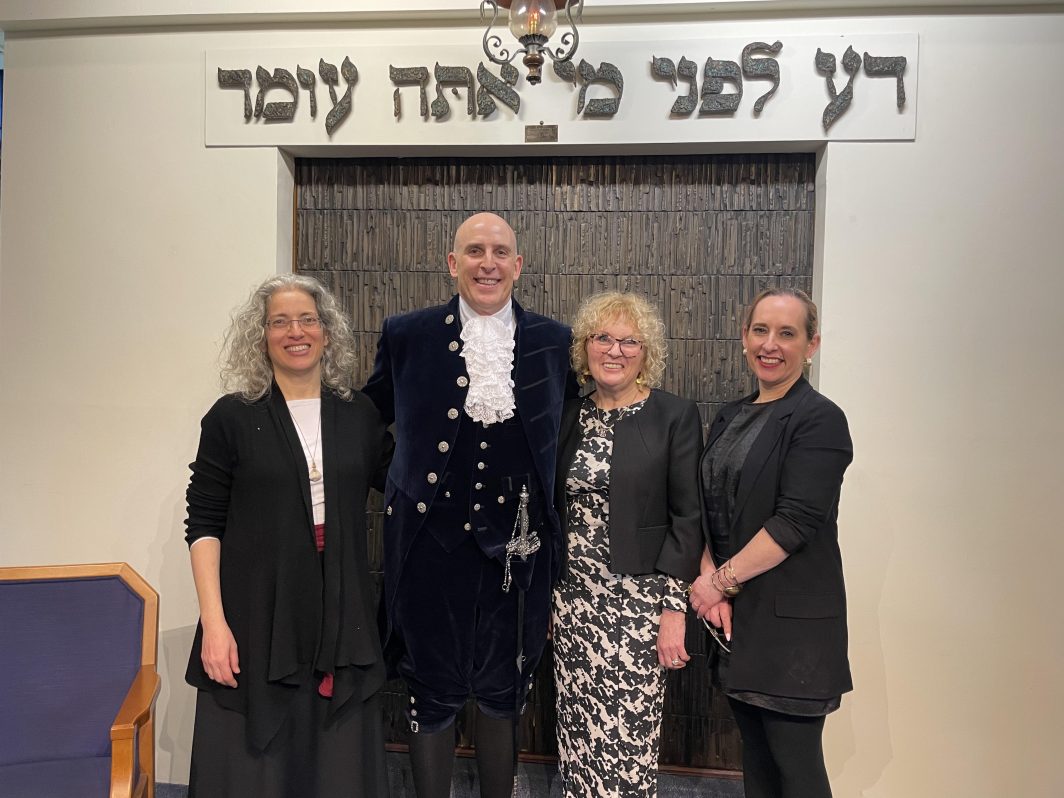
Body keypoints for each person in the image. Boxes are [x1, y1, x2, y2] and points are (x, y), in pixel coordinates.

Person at [362, 212, 573, 798]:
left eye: (500, 252)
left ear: (518, 265)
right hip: (430, 549)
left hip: (520, 551)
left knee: (505, 689)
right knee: (431, 691)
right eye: (475, 251)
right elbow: (367, 420)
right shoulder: (407, 334)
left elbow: (566, 435)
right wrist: (405, 484)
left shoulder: (554, 342)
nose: (488, 263)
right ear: (453, 264)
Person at [184, 274, 393, 798]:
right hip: (257, 611)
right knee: (258, 766)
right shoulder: (232, 417)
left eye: (307, 319)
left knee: (336, 763)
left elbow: (408, 489)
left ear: (327, 331)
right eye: (280, 321)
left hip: (341, 609)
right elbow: (204, 524)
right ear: (261, 337)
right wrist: (214, 624)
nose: (295, 331)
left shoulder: (358, 414)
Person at [690, 287, 853, 798]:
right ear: (744, 338)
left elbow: (795, 522)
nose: (771, 344)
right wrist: (706, 573)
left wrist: (717, 583)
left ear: (812, 345)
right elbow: (709, 506)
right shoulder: (731, 414)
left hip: (793, 633)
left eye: (787, 333)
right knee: (758, 769)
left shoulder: (820, 418)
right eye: (761, 330)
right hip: (740, 622)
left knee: (796, 771)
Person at [551, 291, 704, 797]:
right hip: (572, 602)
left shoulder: (674, 416)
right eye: (603, 338)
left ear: (646, 352)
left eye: (628, 341)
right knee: (576, 736)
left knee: (628, 740)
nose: (614, 351)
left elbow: (688, 516)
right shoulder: (568, 414)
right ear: (585, 347)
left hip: (639, 605)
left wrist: (674, 608)